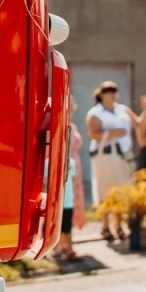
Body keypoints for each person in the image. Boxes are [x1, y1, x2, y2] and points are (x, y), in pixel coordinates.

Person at [86, 81, 134, 240]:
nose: (112, 94)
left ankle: (119, 225)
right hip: (105, 157)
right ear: (101, 94)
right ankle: (105, 226)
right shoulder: (95, 113)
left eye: (114, 91)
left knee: (119, 191)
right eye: (108, 91)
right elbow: (93, 134)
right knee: (105, 191)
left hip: (121, 156)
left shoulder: (121, 110)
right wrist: (115, 133)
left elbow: (138, 123)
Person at [54, 103, 88, 261]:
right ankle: (62, 245)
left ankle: (64, 245)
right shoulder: (60, 125)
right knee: (62, 210)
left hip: (74, 167)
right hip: (64, 166)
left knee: (70, 206)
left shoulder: (72, 126)